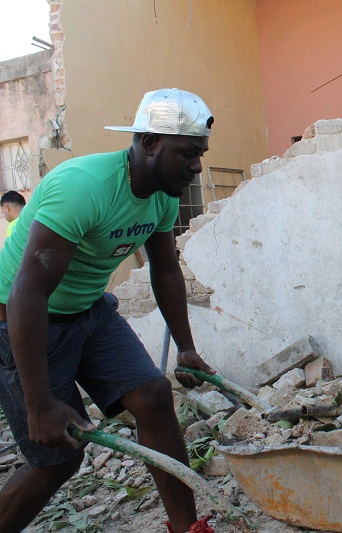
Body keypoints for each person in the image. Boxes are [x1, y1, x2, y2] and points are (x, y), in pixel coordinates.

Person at [0, 89, 218, 532]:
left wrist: (187, 348)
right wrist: (39, 403)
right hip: (20, 319)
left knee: (154, 398)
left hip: (89, 310)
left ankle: (188, 529)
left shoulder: (163, 193)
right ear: (150, 142)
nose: (197, 166)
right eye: (189, 154)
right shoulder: (84, 186)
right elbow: (28, 292)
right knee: (57, 459)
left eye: (201, 155)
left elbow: (166, 271)